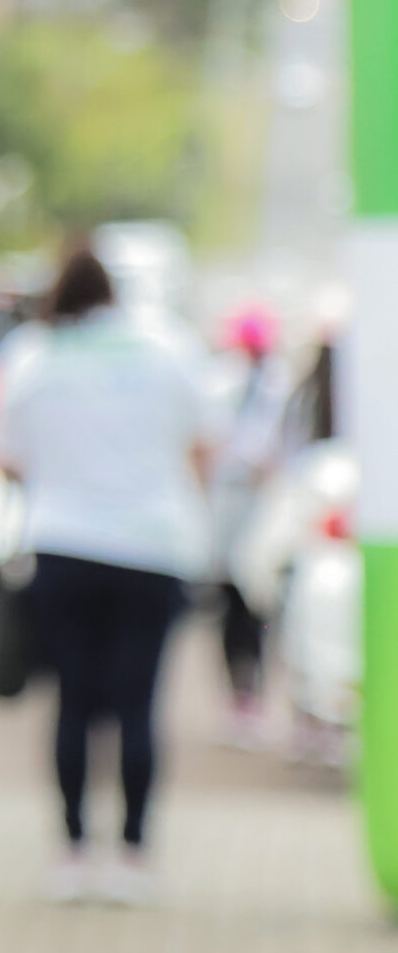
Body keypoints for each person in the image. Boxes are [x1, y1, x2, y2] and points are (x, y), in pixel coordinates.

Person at [0, 242, 213, 905]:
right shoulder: (168, 346)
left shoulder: (33, 354)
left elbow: (4, 455)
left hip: (63, 545)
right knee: (139, 705)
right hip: (152, 548)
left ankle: (74, 852)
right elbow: (202, 446)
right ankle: (134, 855)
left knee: (74, 703)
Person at [205, 306, 289, 746]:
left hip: (261, 505)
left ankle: (253, 691)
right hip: (227, 503)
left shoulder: (278, 382)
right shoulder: (221, 379)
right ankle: (236, 694)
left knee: (258, 602)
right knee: (229, 604)